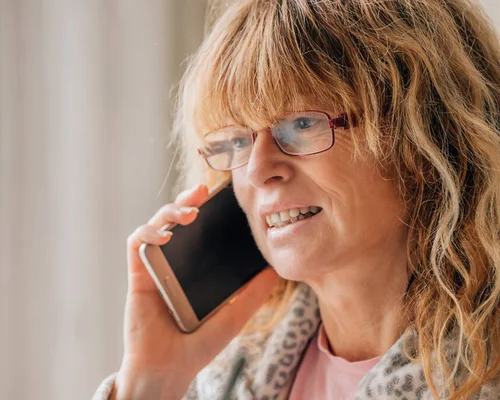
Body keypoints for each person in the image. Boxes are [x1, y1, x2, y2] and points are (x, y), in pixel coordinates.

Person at [94, 0, 500, 398]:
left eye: (302, 123)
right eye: (237, 139)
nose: (256, 170)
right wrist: (152, 382)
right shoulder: (229, 376)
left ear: (423, 137)